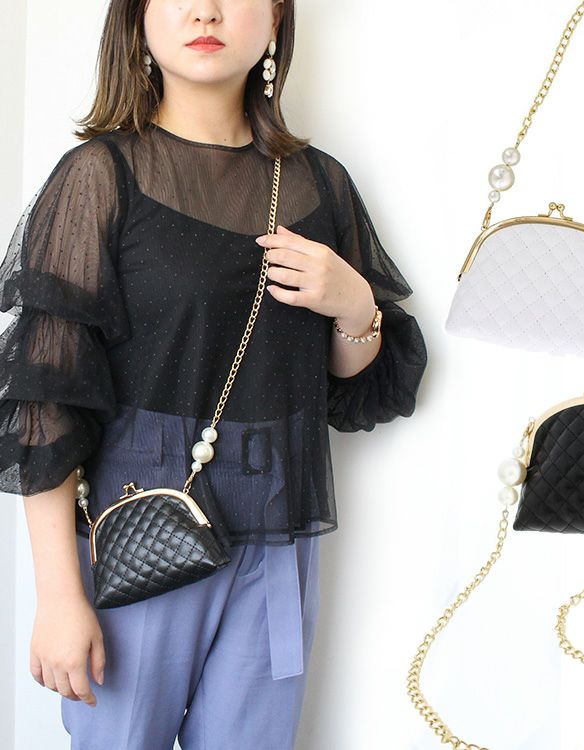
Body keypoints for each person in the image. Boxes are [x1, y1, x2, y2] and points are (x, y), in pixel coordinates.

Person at [0, 1, 427, 747]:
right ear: (138, 20)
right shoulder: (101, 174)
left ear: (275, 19)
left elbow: (353, 390)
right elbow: (46, 401)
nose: (205, 10)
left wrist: (355, 305)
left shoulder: (320, 183)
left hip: (281, 535)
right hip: (137, 531)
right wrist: (59, 596)